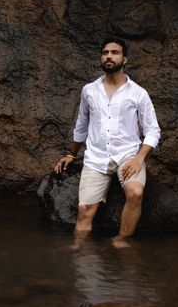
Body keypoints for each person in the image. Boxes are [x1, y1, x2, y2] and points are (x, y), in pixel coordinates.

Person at [55, 38, 162, 247]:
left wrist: (139, 159)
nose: (109, 56)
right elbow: (81, 125)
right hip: (96, 158)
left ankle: (121, 240)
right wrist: (71, 154)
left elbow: (153, 130)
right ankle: (80, 250)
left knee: (136, 192)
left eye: (115, 52)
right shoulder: (89, 91)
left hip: (127, 155)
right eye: (105, 53)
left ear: (125, 59)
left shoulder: (138, 93)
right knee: (85, 210)